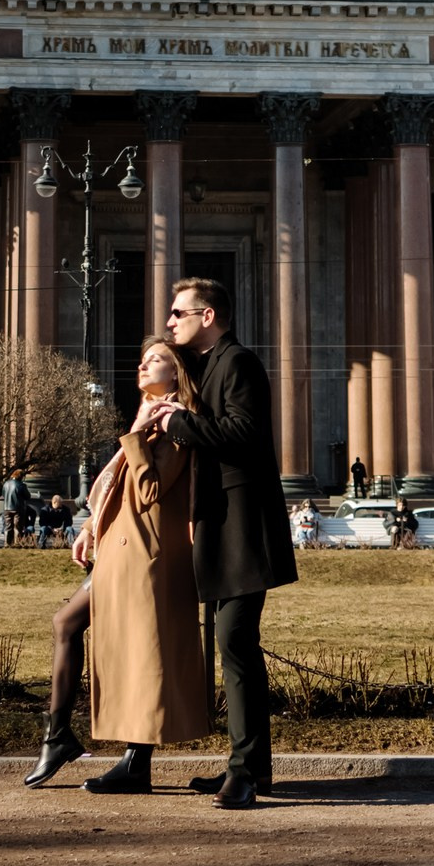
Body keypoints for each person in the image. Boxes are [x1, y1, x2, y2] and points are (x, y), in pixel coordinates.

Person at [24, 336, 207, 791]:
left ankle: (128, 761)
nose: (143, 366)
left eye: (155, 360)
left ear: (176, 371)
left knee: (141, 650)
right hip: (120, 548)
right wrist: (90, 529)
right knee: (71, 625)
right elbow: (116, 489)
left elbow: (149, 490)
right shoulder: (149, 418)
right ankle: (60, 736)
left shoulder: (175, 421)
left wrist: (138, 432)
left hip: (145, 553)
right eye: (142, 359)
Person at [152, 278, 297, 810]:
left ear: (207, 315)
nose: (170, 322)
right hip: (223, 526)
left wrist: (182, 423)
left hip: (244, 527)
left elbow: (244, 433)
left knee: (235, 642)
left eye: (178, 313)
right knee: (232, 646)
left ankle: (246, 772)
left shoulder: (237, 363)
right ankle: (250, 767)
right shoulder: (210, 365)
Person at [2, 469, 32, 546]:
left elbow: (3, 494)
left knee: (7, 527)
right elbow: (28, 496)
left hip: (7, 508)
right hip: (18, 509)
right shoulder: (21, 485)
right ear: (21, 476)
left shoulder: (6, 484)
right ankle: (17, 543)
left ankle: (7, 543)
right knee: (17, 527)